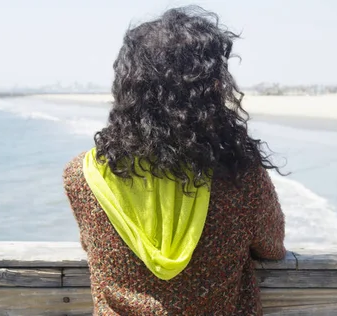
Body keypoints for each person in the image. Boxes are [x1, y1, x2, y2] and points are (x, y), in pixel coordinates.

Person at [63, 6, 286, 315]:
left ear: (129, 87)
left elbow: (91, 246)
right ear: (211, 88)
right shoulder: (239, 174)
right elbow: (271, 248)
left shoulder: (82, 175)